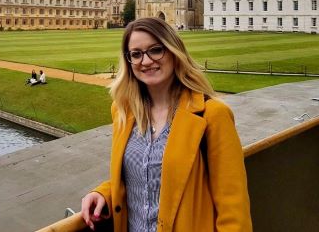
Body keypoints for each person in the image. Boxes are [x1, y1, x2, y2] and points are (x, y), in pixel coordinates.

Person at [81, 17, 252, 232]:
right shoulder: (123, 112)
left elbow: (233, 209)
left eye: (155, 50)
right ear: (129, 61)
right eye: (136, 54)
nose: (146, 61)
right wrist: (103, 193)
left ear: (173, 51)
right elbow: (140, 178)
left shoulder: (213, 115)